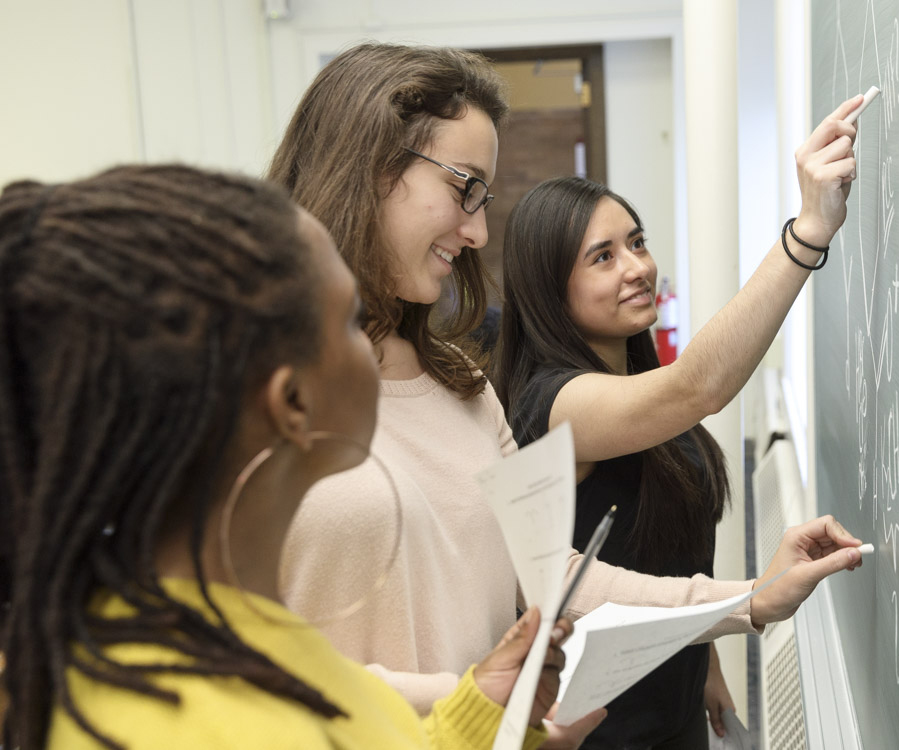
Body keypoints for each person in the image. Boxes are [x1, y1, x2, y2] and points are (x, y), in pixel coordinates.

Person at [268, 41, 866, 744]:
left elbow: (554, 575)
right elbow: (242, 651)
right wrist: (476, 701)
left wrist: (751, 599)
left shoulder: (458, 387)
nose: (477, 230)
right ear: (369, 164)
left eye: (482, 198)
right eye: (463, 188)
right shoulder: (251, 386)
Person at [0, 164, 571, 750]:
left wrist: (484, 714)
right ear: (293, 402)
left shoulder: (233, 646)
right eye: (351, 319)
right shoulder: (202, 723)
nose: (381, 337)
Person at [494, 97, 865, 748]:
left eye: (635, 243)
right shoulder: (548, 405)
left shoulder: (631, 380)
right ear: (549, 288)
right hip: (598, 727)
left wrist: (705, 664)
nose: (637, 267)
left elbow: (664, 551)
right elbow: (699, 386)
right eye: (601, 257)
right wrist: (809, 228)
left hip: (674, 696)